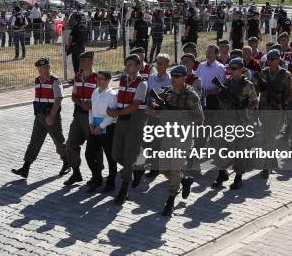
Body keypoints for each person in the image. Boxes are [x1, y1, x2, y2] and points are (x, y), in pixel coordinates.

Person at [152, 65, 202, 216]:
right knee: (163, 168)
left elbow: (200, 118)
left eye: (178, 76)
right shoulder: (168, 91)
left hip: (183, 136)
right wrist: (158, 108)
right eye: (172, 75)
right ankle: (184, 179)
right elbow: (155, 103)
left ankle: (170, 201)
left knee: (174, 167)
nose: (174, 78)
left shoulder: (191, 95)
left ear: (184, 77)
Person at [11, 57, 69, 179]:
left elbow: (59, 98)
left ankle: (67, 162)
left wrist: (52, 116)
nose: (41, 71)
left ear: (48, 67)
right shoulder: (38, 80)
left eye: (43, 68)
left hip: (50, 116)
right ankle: (25, 168)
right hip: (39, 116)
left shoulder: (55, 81)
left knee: (59, 141)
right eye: (39, 69)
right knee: (34, 142)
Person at [106, 54, 148, 205]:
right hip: (122, 120)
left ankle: (124, 189)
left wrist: (116, 113)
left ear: (138, 66)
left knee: (129, 154)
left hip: (135, 121)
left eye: (131, 64)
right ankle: (136, 169)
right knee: (116, 154)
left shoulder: (142, 83)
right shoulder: (123, 79)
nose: (127, 67)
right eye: (126, 64)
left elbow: (135, 106)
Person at [212, 58, 258, 190]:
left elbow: (255, 101)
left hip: (240, 122)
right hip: (225, 120)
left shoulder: (247, 84)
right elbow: (220, 98)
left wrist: (245, 107)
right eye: (230, 68)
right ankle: (222, 172)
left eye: (234, 68)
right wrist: (223, 96)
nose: (231, 71)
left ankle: (238, 178)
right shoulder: (226, 82)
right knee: (217, 146)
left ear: (241, 69)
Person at [254, 49, 292, 178]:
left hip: (278, 110)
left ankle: (266, 165)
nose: (269, 62)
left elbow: (289, 93)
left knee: (270, 136)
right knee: (267, 136)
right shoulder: (263, 73)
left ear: (278, 60)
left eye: (272, 59)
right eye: (268, 59)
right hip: (265, 109)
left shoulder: (285, 74)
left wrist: (283, 103)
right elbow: (257, 89)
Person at [64, 51, 97, 186]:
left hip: (93, 116)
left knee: (94, 147)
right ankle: (76, 173)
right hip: (78, 115)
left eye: (84, 61)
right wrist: (81, 103)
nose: (81, 63)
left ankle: (97, 175)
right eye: (80, 61)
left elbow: (103, 97)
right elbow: (73, 96)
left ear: (91, 62)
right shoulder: (78, 76)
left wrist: (91, 105)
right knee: (71, 143)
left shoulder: (97, 78)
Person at [86, 70, 118, 193]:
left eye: (101, 79)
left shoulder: (112, 95)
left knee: (110, 157)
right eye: (97, 78)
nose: (98, 81)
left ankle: (111, 182)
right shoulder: (95, 91)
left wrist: (101, 126)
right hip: (94, 127)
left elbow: (112, 115)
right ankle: (97, 178)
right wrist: (90, 124)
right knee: (89, 154)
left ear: (108, 80)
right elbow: (91, 110)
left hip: (107, 128)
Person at [196, 44, 226, 110]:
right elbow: (196, 80)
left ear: (217, 54)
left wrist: (209, 92)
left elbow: (222, 86)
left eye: (210, 52)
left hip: (214, 98)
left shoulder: (220, 67)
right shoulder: (201, 65)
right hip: (201, 97)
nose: (208, 53)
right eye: (207, 51)